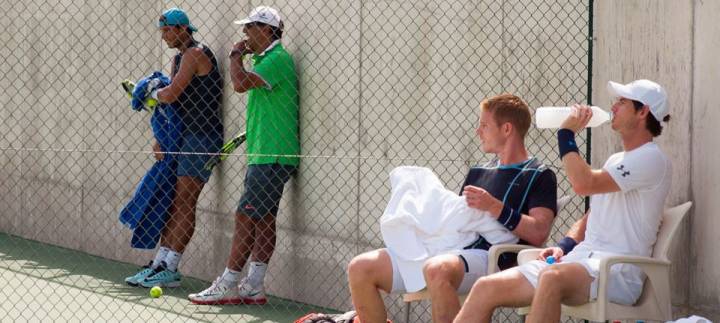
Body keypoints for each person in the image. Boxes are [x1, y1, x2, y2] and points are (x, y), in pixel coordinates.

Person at [453, 79, 673, 323]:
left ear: (643, 111)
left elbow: (583, 184)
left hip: (617, 271)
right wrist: (564, 246)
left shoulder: (652, 159)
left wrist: (566, 134)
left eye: (622, 102)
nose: (613, 107)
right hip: (579, 261)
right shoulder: (616, 161)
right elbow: (592, 215)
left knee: (551, 278)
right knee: (486, 287)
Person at [348, 94, 558, 323]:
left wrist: (495, 208)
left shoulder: (540, 174)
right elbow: (458, 219)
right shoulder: (479, 171)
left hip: (497, 257)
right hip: (451, 248)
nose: (478, 132)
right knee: (361, 267)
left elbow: (539, 233)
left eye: (484, 125)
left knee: (437, 270)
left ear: (507, 129)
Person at [188, 6, 300, 305]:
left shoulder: (277, 59)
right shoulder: (267, 59)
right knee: (263, 219)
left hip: (272, 155)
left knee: (245, 215)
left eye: (250, 28)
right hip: (266, 154)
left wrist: (236, 55)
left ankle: (228, 283)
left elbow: (239, 84)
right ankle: (254, 286)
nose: (244, 34)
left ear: (266, 30)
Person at [124, 7, 224, 288]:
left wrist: (148, 92)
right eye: (162, 31)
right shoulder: (179, 57)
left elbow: (171, 93)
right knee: (172, 201)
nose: (164, 36)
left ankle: (171, 267)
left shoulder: (195, 54)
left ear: (183, 29)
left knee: (184, 202)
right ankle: (159, 263)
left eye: (168, 30)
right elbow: (170, 105)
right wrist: (160, 138)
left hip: (203, 139)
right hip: (182, 138)